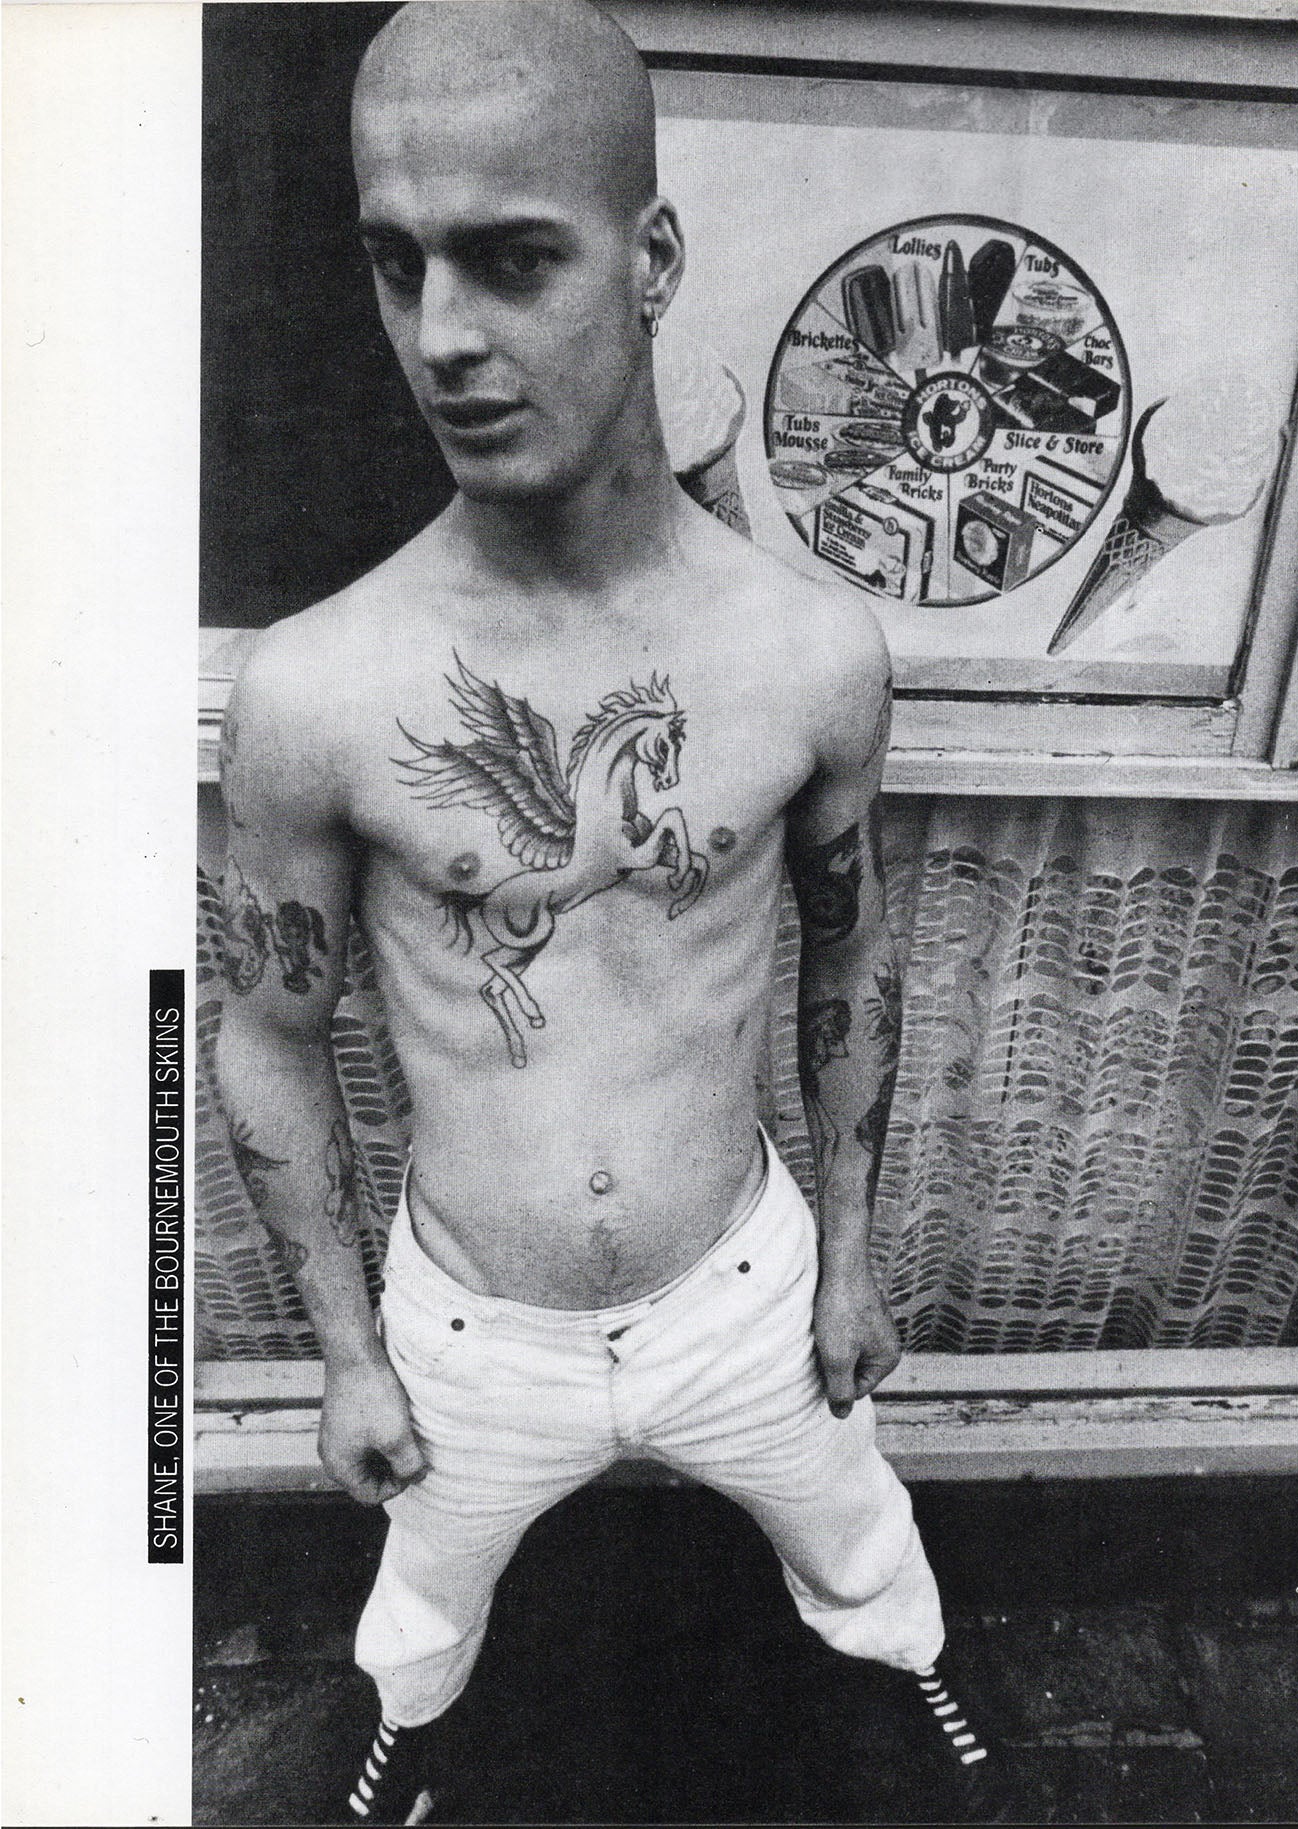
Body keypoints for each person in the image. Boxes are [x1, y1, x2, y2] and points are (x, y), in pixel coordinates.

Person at [215, 3, 1001, 1821]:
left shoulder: (807, 654)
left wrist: (851, 1257)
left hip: (742, 1288)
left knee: (861, 1533)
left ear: (650, 262)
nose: (443, 336)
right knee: (423, 1603)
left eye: (512, 261)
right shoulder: (320, 689)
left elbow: (852, 950)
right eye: (395, 263)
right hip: (469, 1330)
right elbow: (262, 1033)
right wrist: (346, 1354)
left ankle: (911, 1682)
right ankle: (409, 1732)